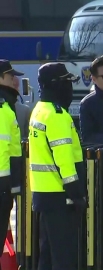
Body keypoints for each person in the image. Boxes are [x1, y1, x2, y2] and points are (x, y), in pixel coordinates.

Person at [29, 63, 87, 270]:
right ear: (56, 85)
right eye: (66, 83)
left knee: (47, 254)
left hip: (43, 194)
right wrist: (76, 194)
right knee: (64, 257)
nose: (69, 88)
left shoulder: (39, 110)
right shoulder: (57, 115)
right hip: (61, 195)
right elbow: (64, 160)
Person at [0, 60, 23, 263]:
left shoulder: (6, 106)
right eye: (10, 76)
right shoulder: (2, 109)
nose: (15, 80)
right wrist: (8, 185)